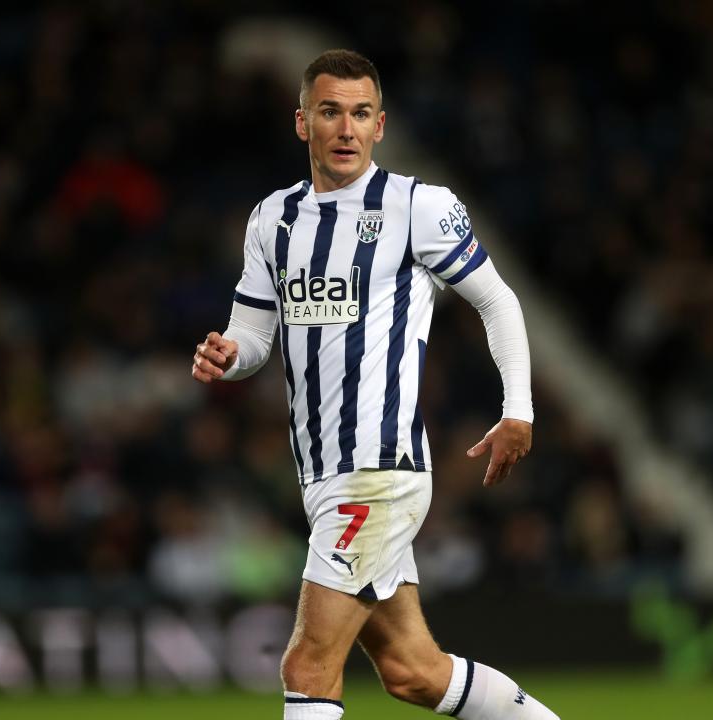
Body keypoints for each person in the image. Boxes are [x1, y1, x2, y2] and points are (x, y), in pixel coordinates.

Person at [192, 49, 558, 720]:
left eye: (360, 114)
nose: (345, 128)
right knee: (413, 672)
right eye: (329, 112)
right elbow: (253, 336)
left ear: (381, 124)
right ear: (302, 122)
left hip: (377, 471)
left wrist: (519, 410)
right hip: (322, 474)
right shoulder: (272, 220)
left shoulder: (417, 206)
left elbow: (497, 300)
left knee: (307, 663)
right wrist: (227, 354)